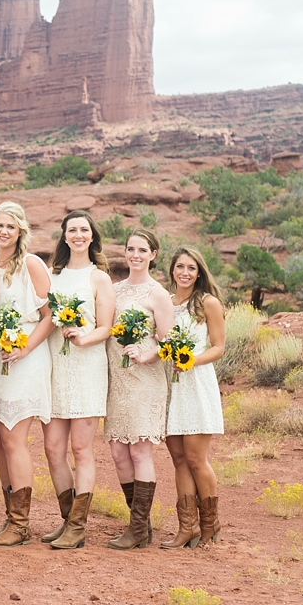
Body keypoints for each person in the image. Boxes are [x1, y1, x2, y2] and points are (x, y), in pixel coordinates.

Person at [0, 202, 56, 547]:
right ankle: (10, 517)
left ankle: (21, 524)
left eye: (11, 226)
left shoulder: (31, 264)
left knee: (14, 438)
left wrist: (24, 348)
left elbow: (49, 316)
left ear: (20, 230)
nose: (4, 232)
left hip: (25, 356)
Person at [43, 210, 113, 548]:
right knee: (53, 449)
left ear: (92, 236)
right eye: (72, 230)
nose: (78, 235)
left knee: (81, 449)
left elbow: (106, 327)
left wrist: (84, 338)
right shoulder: (52, 275)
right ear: (64, 235)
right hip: (56, 366)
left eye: (84, 230)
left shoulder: (98, 277)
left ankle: (78, 527)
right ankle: (67, 519)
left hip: (86, 366)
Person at [105, 230, 176, 549]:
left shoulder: (158, 294)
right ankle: (141, 525)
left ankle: (136, 529)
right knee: (119, 453)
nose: (135, 254)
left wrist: (146, 355)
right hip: (117, 381)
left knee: (139, 450)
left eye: (142, 249)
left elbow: (169, 341)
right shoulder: (114, 290)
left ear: (153, 254)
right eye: (131, 249)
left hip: (145, 380)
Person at [160, 246, 227, 548]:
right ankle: (187, 528)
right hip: (170, 386)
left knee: (197, 459)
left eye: (191, 268)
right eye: (180, 267)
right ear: (172, 269)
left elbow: (218, 347)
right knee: (179, 460)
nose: (184, 273)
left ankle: (210, 525)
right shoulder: (165, 302)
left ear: (199, 272)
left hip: (196, 383)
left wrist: (191, 360)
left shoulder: (207, 303)